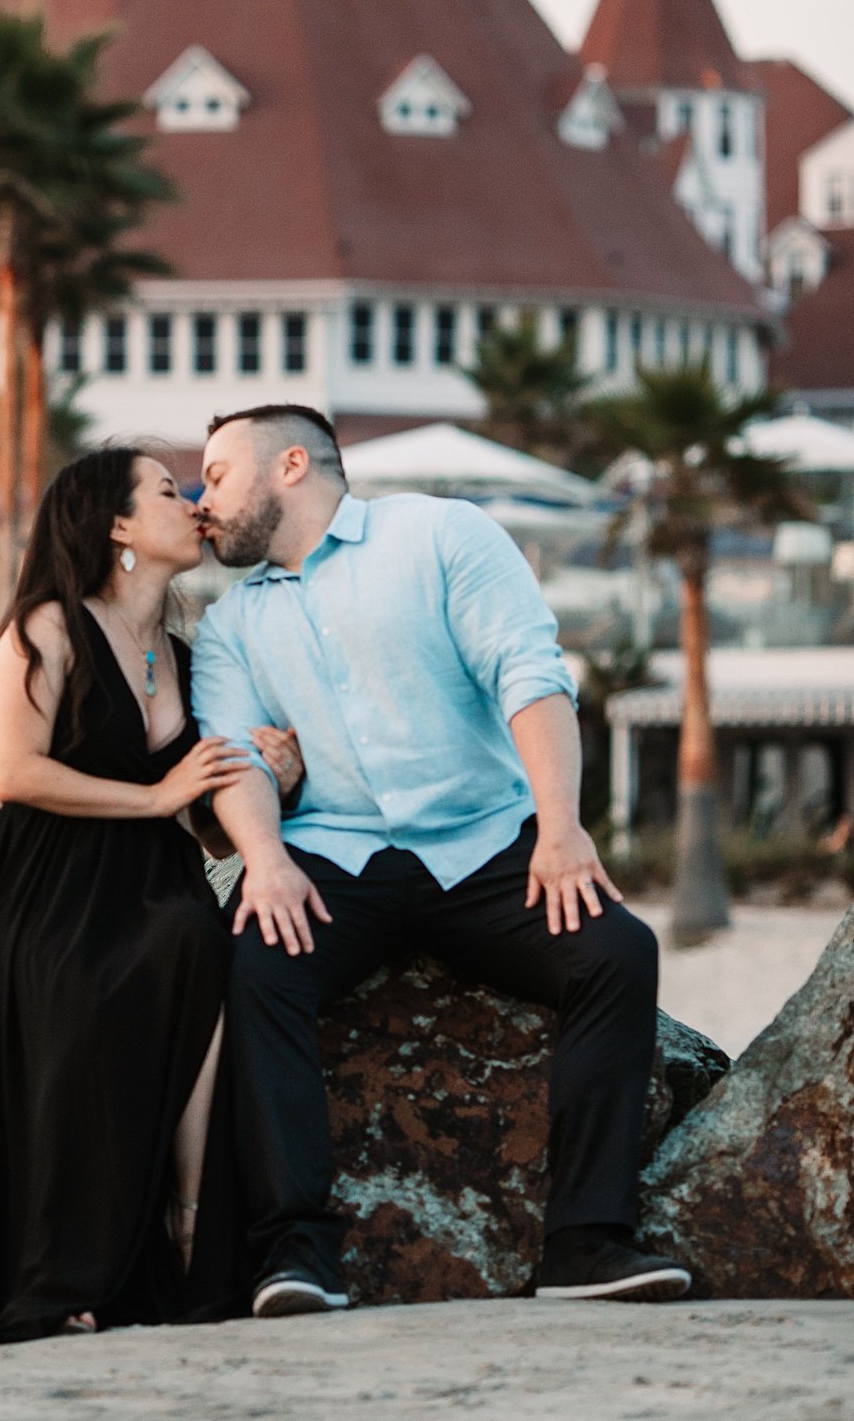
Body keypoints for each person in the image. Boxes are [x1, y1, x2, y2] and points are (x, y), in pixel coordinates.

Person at [191, 402, 692, 1317]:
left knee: (616, 953)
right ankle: (293, 1254)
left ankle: (587, 1245)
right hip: (337, 854)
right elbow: (234, 754)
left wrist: (561, 825)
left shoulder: (441, 535)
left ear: (291, 465)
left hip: (486, 843)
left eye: (217, 475)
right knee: (257, 963)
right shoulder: (230, 627)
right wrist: (263, 855)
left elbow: (528, 673)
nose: (201, 501)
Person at [0, 443, 302, 1343]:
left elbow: (203, 818)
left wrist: (279, 775)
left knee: (207, 945)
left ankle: (192, 1225)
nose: (192, 503)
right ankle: (60, 1268)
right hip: (45, 882)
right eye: (168, 491)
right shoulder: (45, 627)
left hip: (153, 876)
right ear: (117, 524)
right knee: (86, 999)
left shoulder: (189, 656)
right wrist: (156, 798)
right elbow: (15, 771)